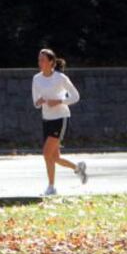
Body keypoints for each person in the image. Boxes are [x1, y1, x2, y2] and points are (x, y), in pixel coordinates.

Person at [32, 48, 87, 196]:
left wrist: (59, 101)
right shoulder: (36, 78)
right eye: (39, 60)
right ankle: (78, 168)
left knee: (46, 153)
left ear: (52, 62)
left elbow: (75, 96)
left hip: (61, 118)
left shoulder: (60, 78)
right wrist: (39, 101)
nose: (40, 62)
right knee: (54, 157)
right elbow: (35, 102)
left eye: (43, 60)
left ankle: (51, 187)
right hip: (46, 119)